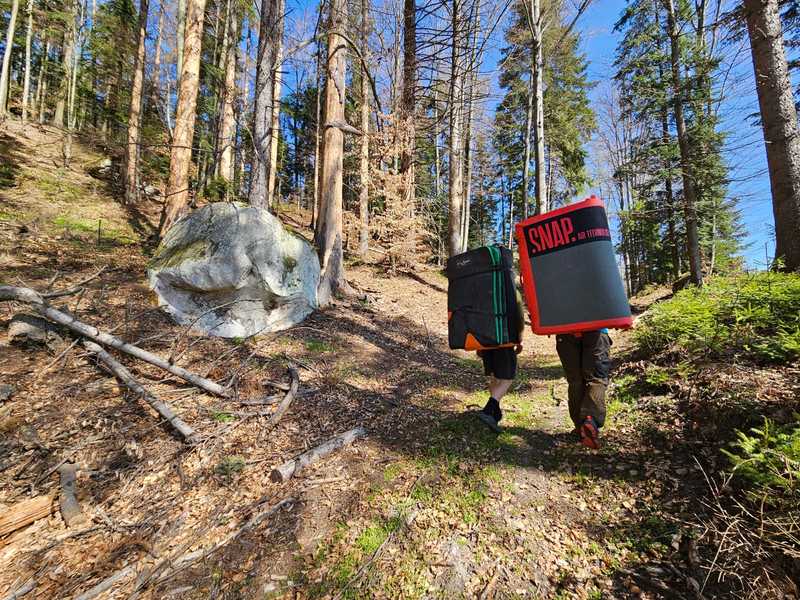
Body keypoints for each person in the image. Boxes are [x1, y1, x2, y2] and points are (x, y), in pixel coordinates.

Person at [477, 288, 525, 432]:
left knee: (496, 377)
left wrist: (477, 344)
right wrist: (519, 339)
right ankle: (488, 409)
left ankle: (494, 414)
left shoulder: (481, 287)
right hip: (505, 340)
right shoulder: (509, 289)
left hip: (485, 339)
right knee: (507, 378)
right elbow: (519, 316)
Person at [555, 328, 612, 449]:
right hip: (596, 331)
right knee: (596, 379)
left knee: (575, 381)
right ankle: (590, 420)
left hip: (565, 332)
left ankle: (580, 426)